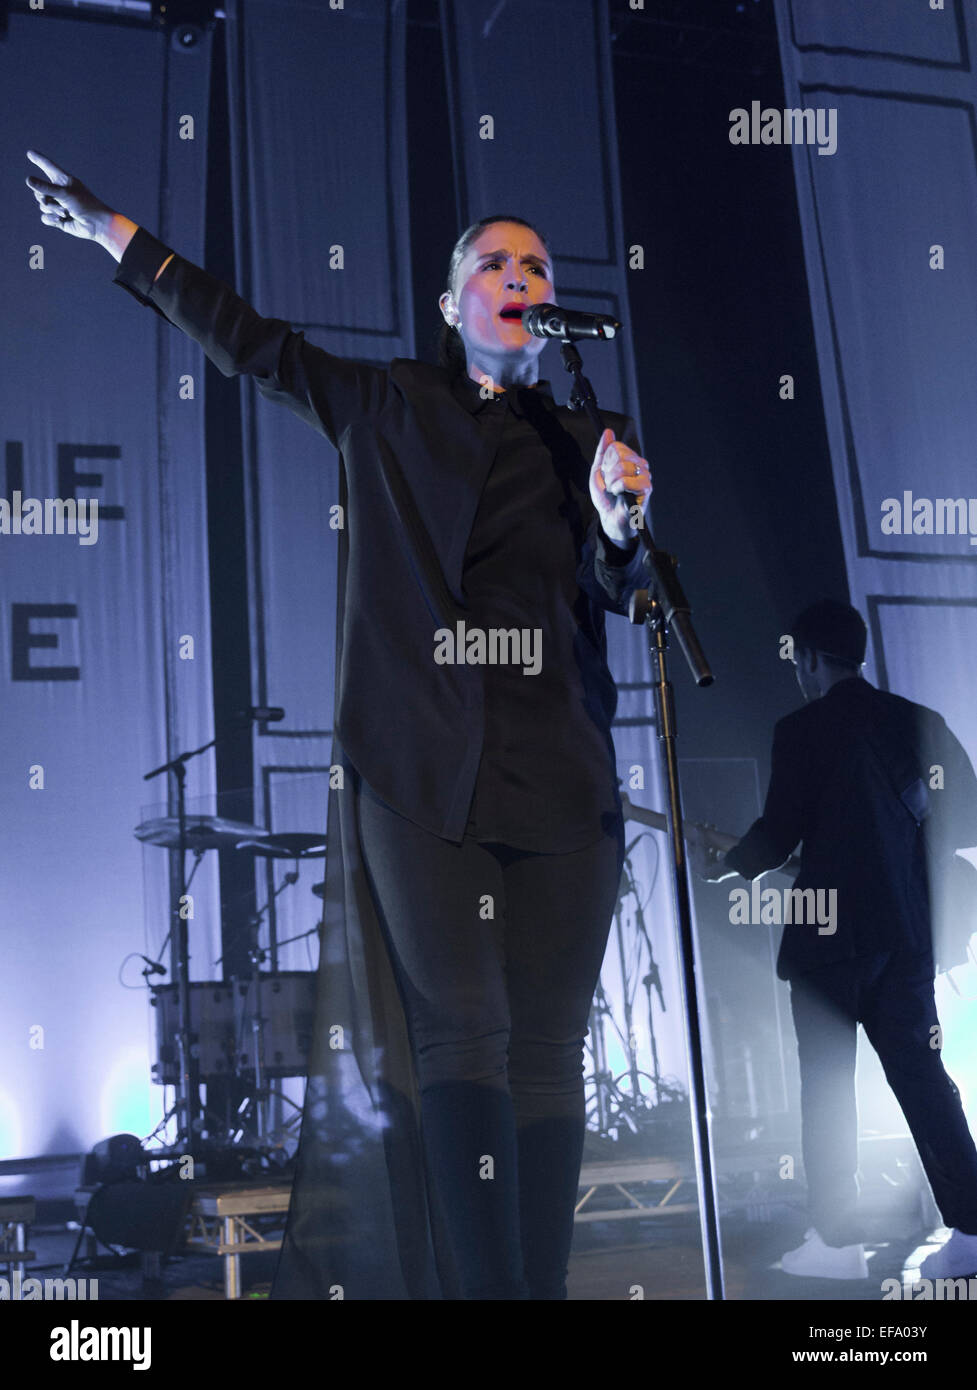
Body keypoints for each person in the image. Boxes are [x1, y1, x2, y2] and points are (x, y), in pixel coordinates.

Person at [26, 151, 652, 1299]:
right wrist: (117, 232)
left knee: (549, 1055)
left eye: (537, 265)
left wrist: (618, 526)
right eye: (494, 263)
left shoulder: (585, 440)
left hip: (561, 779)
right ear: (452, 302)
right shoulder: (386, 404)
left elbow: (628, 591)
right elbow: (246, 338)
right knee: (463, 1034)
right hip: (420, 778)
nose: (520, 275)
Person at [692, 599, 977, 1281]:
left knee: (826, 1090)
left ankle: (836, 1241)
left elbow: (777, 834)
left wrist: (723, 865)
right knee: (923, 1082)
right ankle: (970, 1228)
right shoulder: (917, 721)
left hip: (827, 942)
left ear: (810, 659)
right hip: (906, 937)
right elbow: (964, 817)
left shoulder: (801, 729)